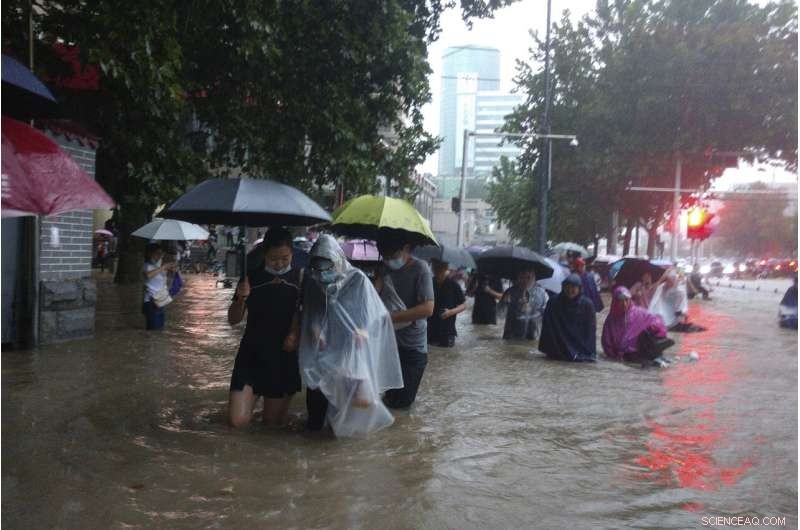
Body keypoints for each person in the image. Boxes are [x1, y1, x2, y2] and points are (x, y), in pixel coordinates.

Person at [299, 235, 403, 436]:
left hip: (349, 350)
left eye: (328, 268)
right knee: (315, 413)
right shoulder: (312, 281)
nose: (323, 274)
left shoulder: (358, 280)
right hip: (323, 351)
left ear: (338, 261)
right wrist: (315, 328)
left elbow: (375, 313)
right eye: (318, 269)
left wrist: (364, 330)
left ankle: (338, 441)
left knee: (348, 406)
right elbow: (311, 312)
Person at [227, 227, 302, 428]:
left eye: (285, 258)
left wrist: (295, 333)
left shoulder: (301, 278)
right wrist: (241, 299)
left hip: (283, 356)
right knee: (237, 422)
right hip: (251, 353)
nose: (279, 264)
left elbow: (308, 314)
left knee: (272, 424)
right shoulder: (250, 278)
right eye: (273, 259)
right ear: (264, 255)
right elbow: (233, 320)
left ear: (292, 253)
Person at [376, 233, 435, 409]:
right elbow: (373, 296)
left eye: (392, 255)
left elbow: (428, 308)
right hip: (389, 344)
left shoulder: (420, 268)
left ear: (406, 248)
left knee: (403, 404)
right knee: (388, 399)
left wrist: (391, 317)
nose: (388, 260)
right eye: (384, 256)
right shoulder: (384, 268)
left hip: (412, 347)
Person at [602, 286, 674, 363]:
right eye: (621, 301)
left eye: (626, 300)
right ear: (615, 302)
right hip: (625, 355)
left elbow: (657, 321)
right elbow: (606, 341)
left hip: (640, 350)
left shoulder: (638, 313)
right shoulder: (610, 320)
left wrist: (652, 328)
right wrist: (613, 356)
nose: (624, 304)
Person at [538, 274, 597, 362]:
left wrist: (587, 351)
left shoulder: (587, 305)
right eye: (567, 287)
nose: (570, 290)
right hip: (557, 344)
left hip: (578, 345)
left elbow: (590, 331)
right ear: (563, 287)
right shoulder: (553, 302)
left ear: (579, 289)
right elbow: (548, 327)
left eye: (573, 287)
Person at [427, 259, 467, 347]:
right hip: (430, 329)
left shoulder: (453, 285)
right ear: (432, 268)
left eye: (439, 267)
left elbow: (464, 305)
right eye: (435, 267)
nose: (437, 270)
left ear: (445, 268)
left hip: (448, 330)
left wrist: (450, 312)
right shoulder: (428, 283)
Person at [500, 269, 548, 341]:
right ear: (518, 278)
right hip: (511, 335)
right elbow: (500, 315)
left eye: (528, 277)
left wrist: (531, 309)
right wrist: (504, 303)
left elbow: (546, 313)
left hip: (532, 335)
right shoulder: (510, 292)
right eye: (522, 277)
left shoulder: (542, 293)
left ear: (534, 278)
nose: (525, 280)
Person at [142, 242, 176, 331]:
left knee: (160, 329)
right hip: (150, 301)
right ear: (150, 253)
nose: (160, 255)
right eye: (157, 253)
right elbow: (148, 275)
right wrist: (163, 267)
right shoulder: (146, 265)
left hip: (160, 300)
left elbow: (167, 282)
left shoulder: (158, 265)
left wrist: (172, 272)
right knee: (153, 330)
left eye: (161, 253)